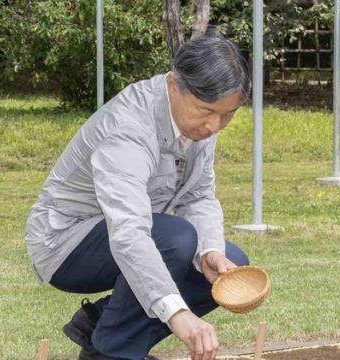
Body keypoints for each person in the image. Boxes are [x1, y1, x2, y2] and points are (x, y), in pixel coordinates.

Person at [24, 30, 251, 360]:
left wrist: (209, 251)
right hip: (64, 245)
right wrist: (178, 315)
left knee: (228, 266)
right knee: (176, 238)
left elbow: (198, 196)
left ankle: (101, 327)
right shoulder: (128, 127)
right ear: (174, 85)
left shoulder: (199, 118)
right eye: (207, 112)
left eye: (227, 115)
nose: (214, 127)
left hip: (138, 232)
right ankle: (114, 352)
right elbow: (129, 233)